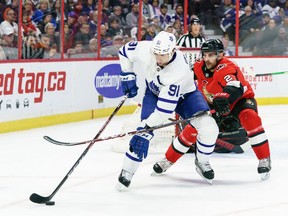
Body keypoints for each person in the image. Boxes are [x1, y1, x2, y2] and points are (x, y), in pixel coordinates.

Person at [116, 31, 219, 191]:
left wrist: (146, 126)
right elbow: (124, 52)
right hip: (154, 93)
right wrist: (127, 73)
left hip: (186, 96)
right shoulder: (146, 49)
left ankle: (202, 161)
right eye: (156, 54)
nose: (158, 58)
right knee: (143, 136)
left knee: (209, 127)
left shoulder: (177, 71)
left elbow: (164, 112)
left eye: (163, 55)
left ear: (172, 51)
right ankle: (127, 171)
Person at [193, 38, 271, 180]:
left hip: (238, 101)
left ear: (220, 55)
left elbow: (234, 86)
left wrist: (225, 96)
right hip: (215, 104)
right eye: (204, 55)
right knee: (194, 127)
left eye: (211, 55)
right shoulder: (198, 66)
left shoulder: (226, 66)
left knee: (250, 117)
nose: (206, 58)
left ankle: (264, 159)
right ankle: (170, 161)